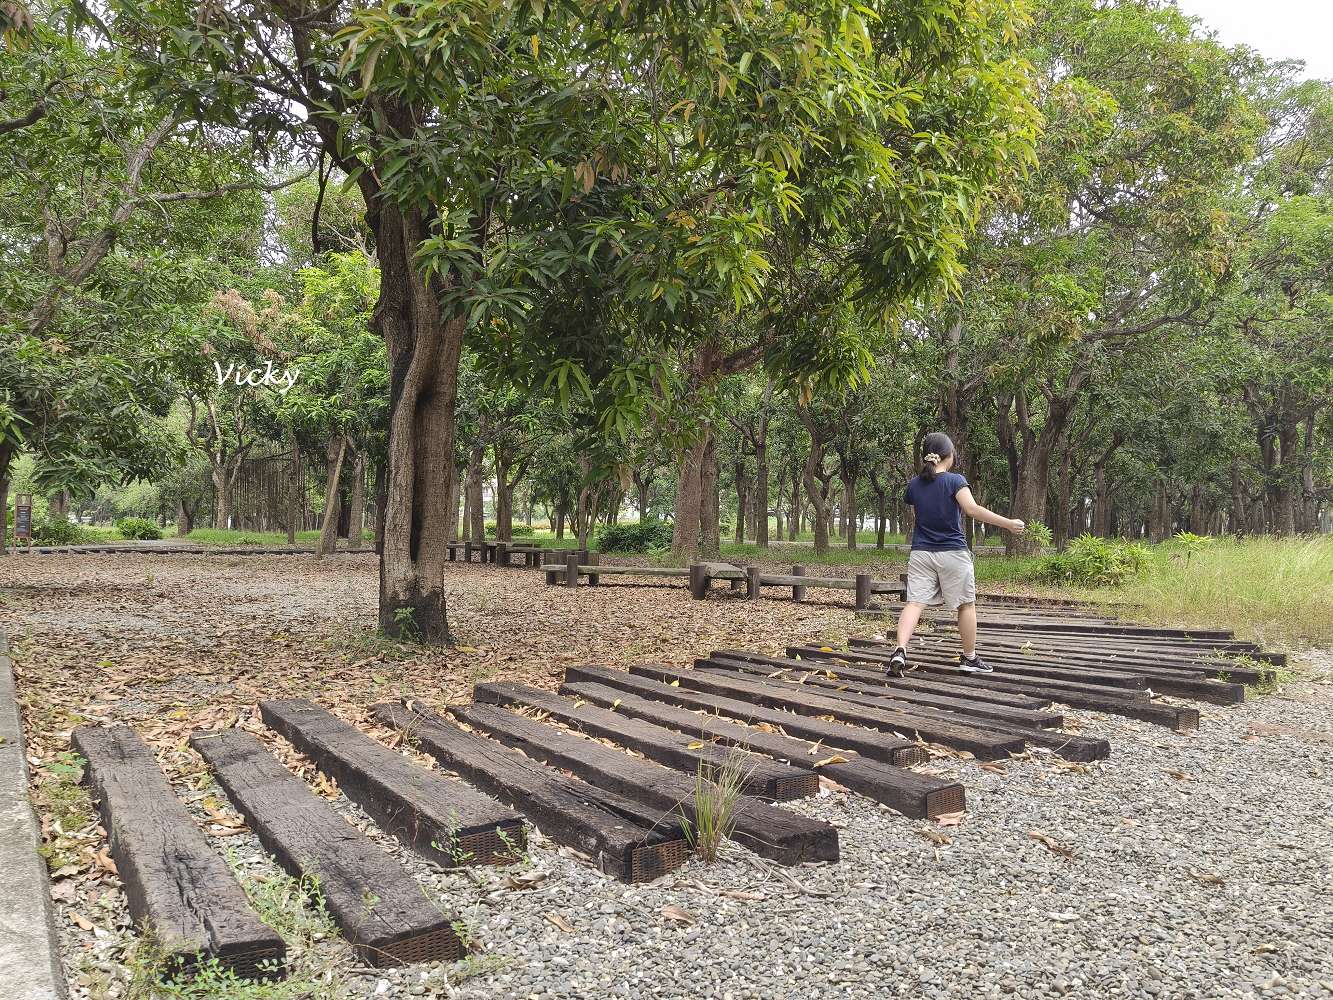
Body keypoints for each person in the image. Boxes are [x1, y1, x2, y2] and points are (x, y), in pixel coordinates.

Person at [886, 432, 1025, 677]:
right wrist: (1008, 523)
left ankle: (899, 650)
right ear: (948, 456)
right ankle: (969, 658)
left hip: (921, 553)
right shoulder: (954, 480)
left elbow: (918, 507)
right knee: (966, 605)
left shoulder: (914, 484)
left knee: (914, 602)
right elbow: (971, 509)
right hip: (952, 552)